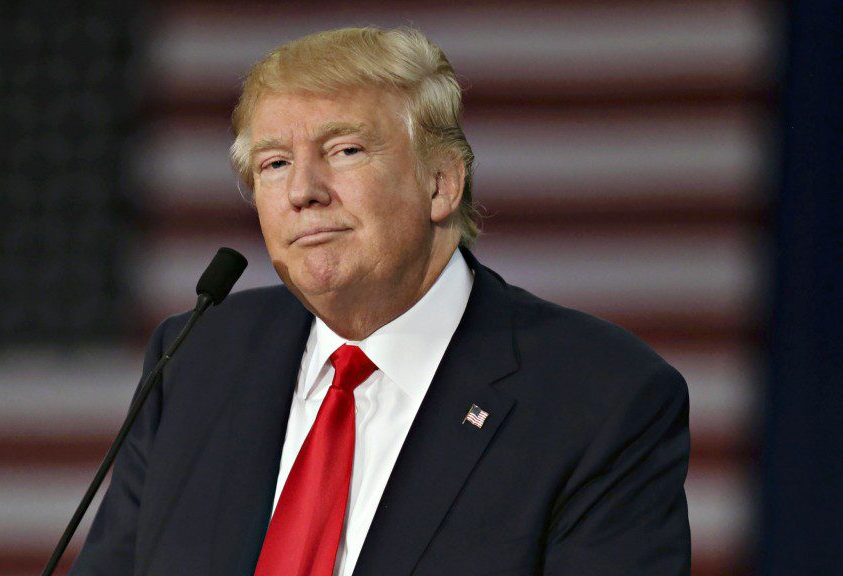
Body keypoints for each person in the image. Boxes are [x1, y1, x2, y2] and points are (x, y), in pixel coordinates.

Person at [72, 26, 690, 576]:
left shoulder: (601, 397)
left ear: (440, 182)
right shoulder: (197, 358)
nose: (303, 192)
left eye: (345, 151)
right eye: (275, 163)